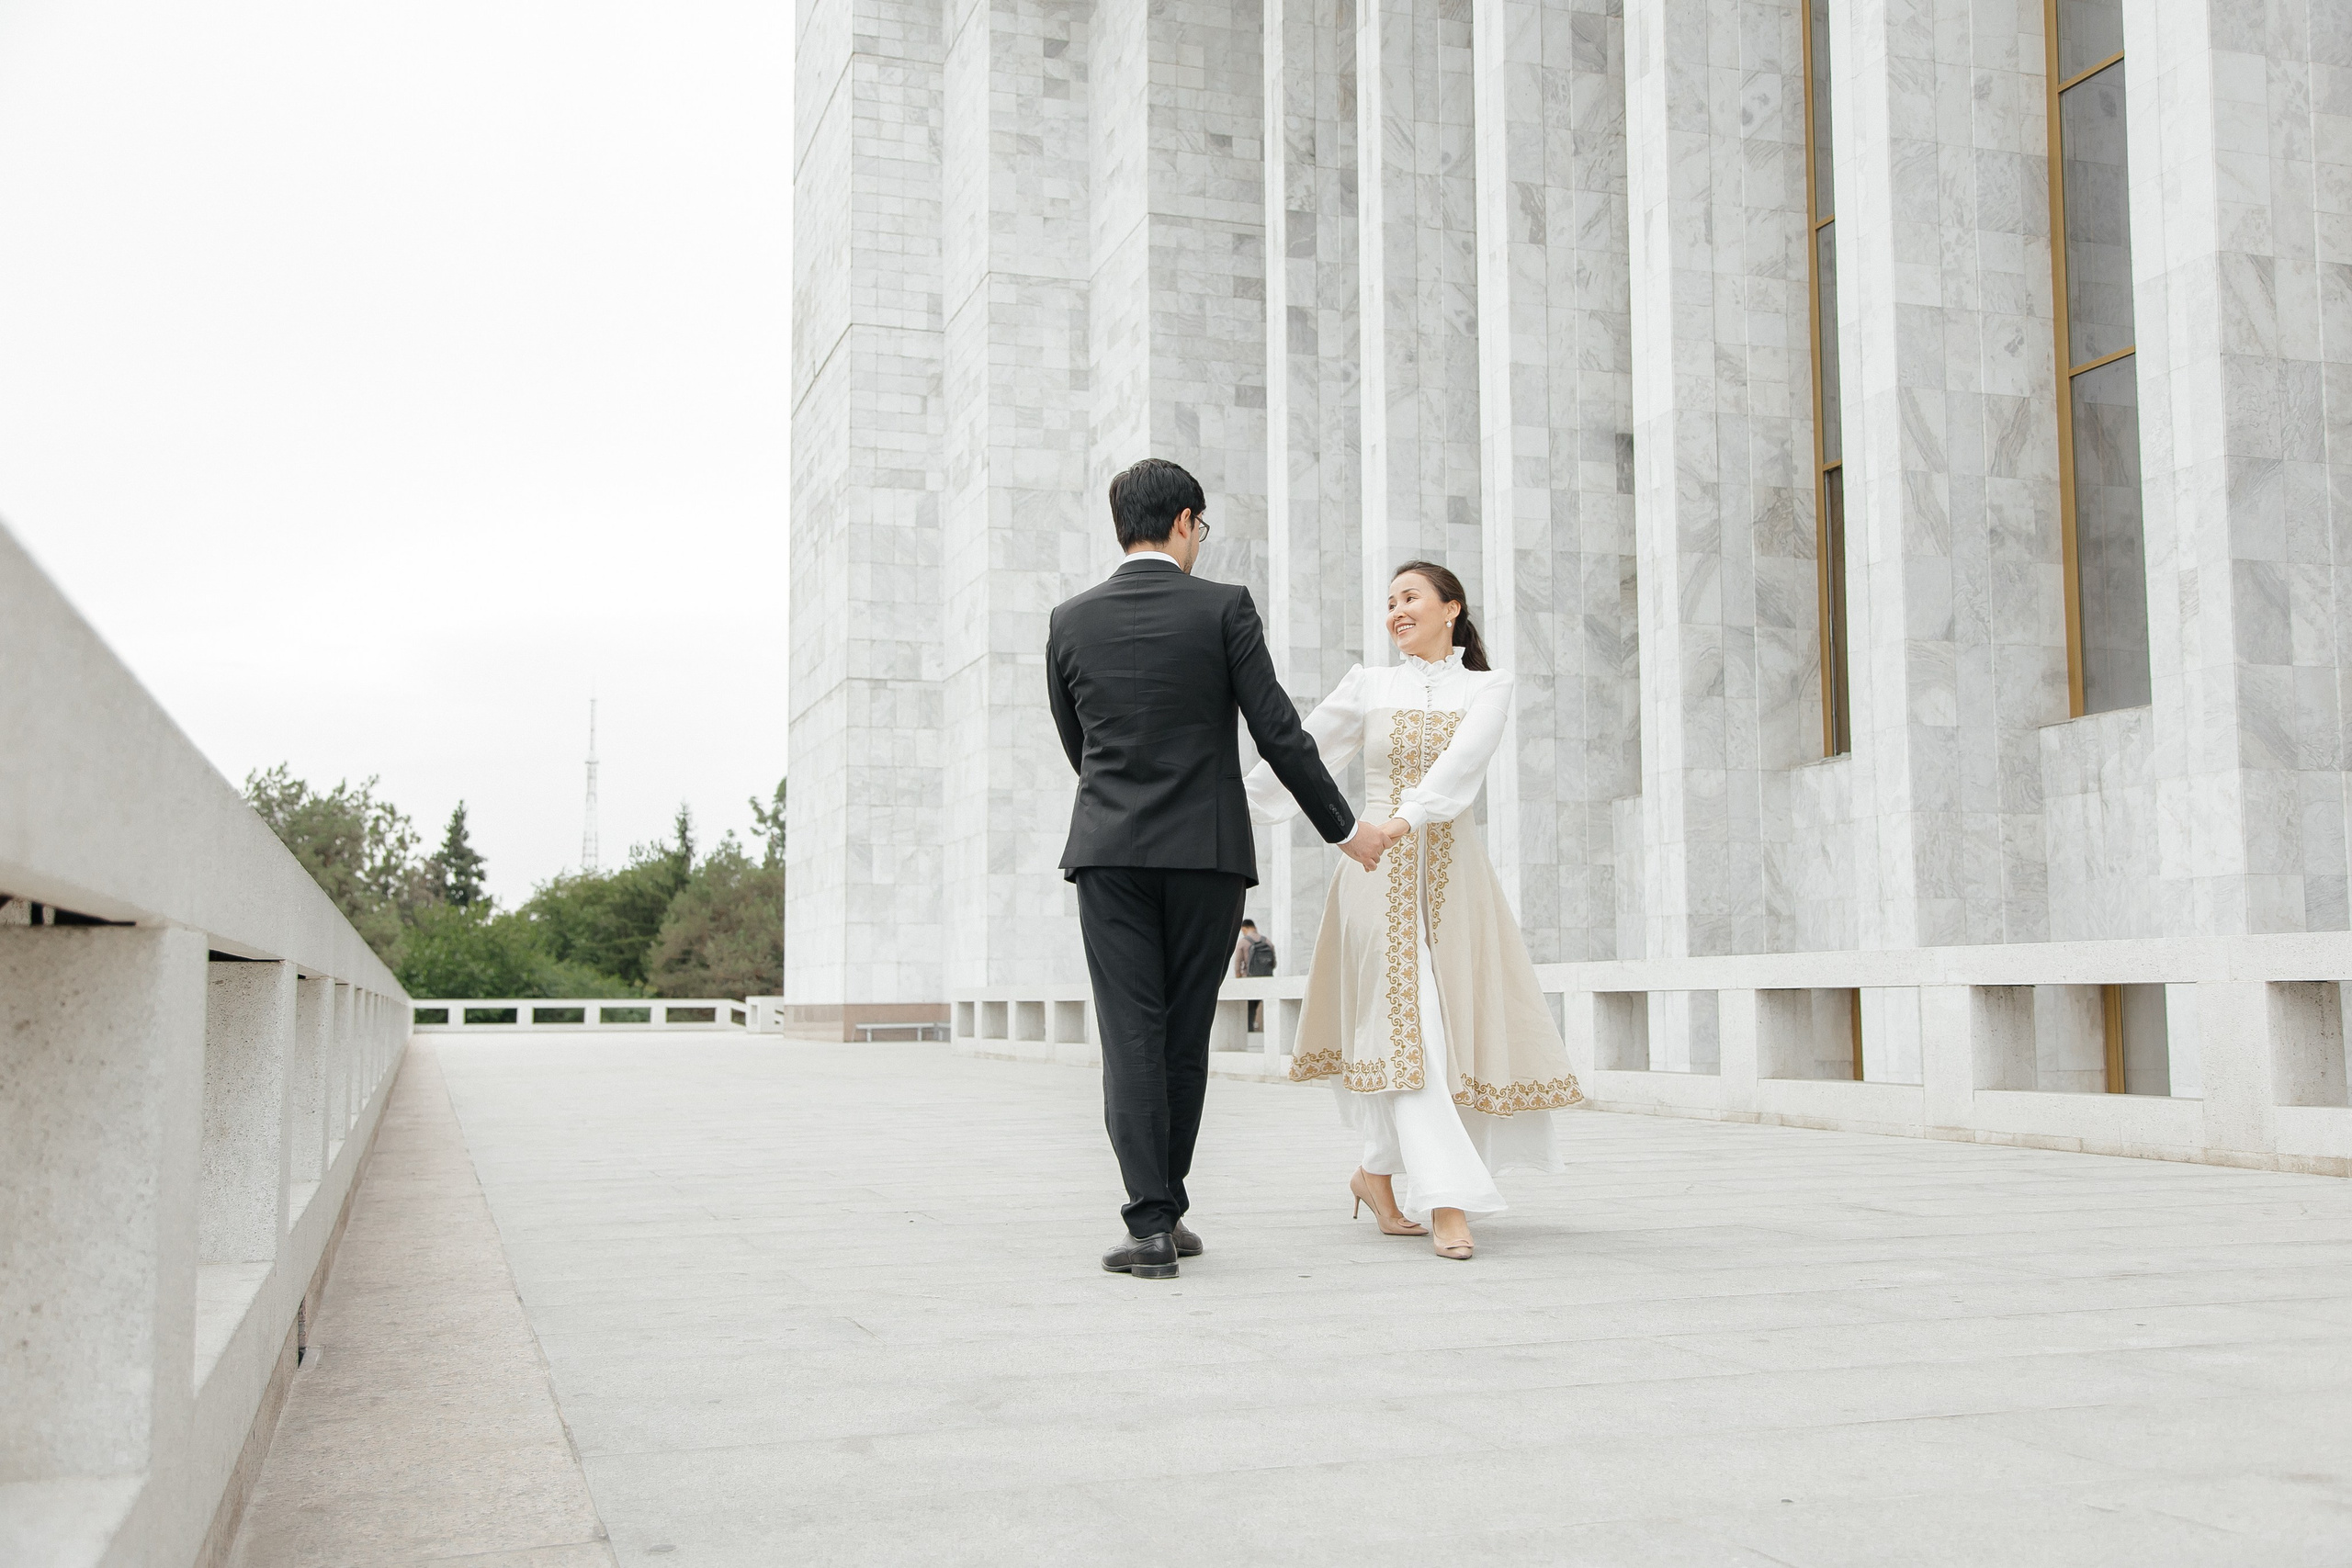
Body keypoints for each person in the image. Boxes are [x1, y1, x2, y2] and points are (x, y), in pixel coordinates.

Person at [1046, 458, 1387, 1280]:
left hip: (1110, 852)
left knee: (1130, 1033)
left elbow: (1077, 744)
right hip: (1205, 854)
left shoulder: (1069, 619)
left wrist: (1116, 804)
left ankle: (1151, 1221)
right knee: (1183, 1032)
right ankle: (1168, 1210)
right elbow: (1279, 732)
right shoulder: (1223, 607)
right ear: (1188, 522)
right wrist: (1344, 829)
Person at [1245, 560, 1582, 1260]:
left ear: (1451, 607)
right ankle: (1448, 1201)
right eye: (1389, 601)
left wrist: (1404, 820)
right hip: (1373, 878)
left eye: (1410, 597)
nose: (1396, 610)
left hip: (1455, 883)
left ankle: (1375, 1171)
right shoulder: (1369, 684)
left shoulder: (1489, 687)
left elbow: (1463, 762)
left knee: (1446, 1032)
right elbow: (1296, 756)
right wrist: (1227, 803)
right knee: (1415, 1026)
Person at [1232, 919, 1276, 1031]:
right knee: (1267, 1005)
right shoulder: (1267, 941)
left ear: (1244, 928)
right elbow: (1274, 963)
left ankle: (1249, 1030)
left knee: (1249, 1007)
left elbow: (1238, 963)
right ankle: (1270, 1029)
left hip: (1249, 979)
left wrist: (1239, 978)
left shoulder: (1243, 942)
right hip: (1266, 979)